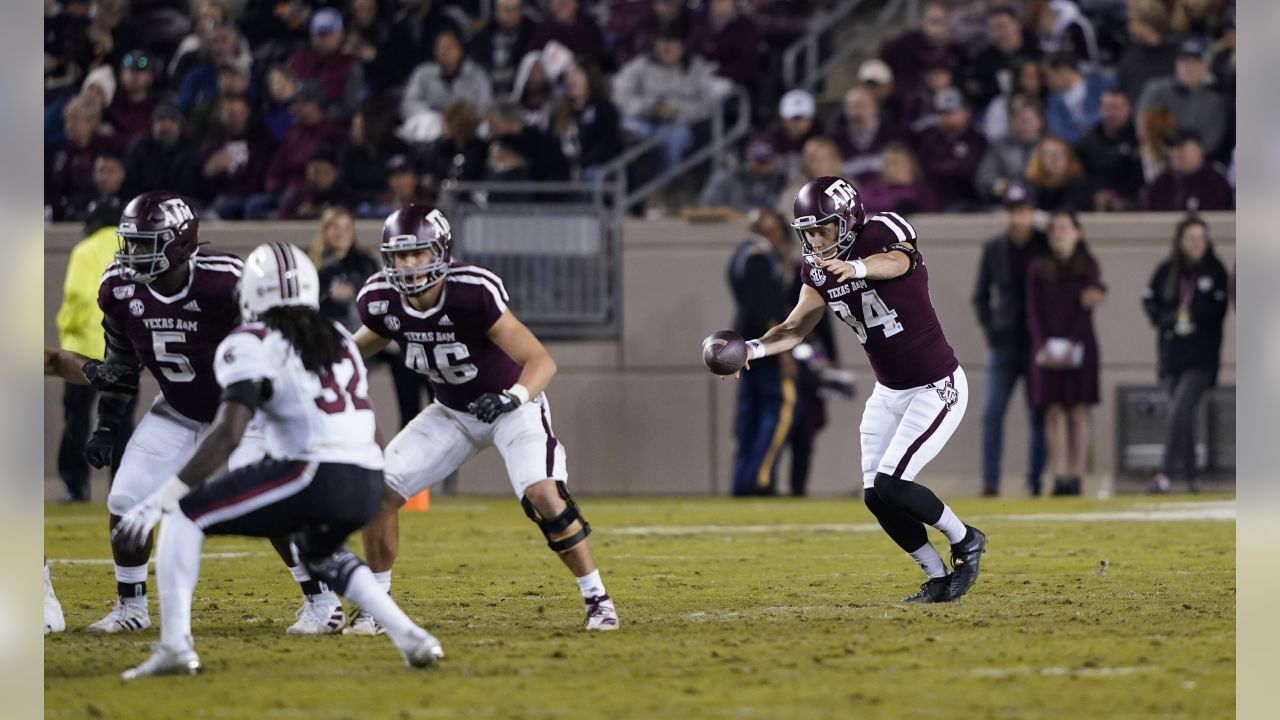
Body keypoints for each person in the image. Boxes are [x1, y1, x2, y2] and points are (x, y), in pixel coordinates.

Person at [113, 242, 445, 678]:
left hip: (315, 472)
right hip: (367, 479)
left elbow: (229, 432)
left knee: (183, 516)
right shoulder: (339, 339)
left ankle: (175, 647)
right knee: (322, 554)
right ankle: (412, 637)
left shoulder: (252, 340)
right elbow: (367, 421)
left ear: (250, 292)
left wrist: (165, 494)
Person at [42, 191, 337, 636]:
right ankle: (132, 607)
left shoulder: (227, 282)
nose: (134, 254)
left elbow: (280, 346)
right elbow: (120, 365)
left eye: (146, 243)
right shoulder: (118, 289)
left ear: (179, 243)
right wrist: (106, 425)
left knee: (265, 497)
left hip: (246, 410)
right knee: (125, 500)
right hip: (178, 409)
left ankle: (322, 601)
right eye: (131, 242)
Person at [345, 205, 619, 633]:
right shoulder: (381, 300)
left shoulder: (472, 291)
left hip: (512, 407)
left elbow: (540, 361)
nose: (409, 264)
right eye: (400, 256)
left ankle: (597, 598)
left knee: (544, 496)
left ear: (441, 252)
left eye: (418, 253)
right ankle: (377, 606)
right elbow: (362, 344)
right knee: (377, 494)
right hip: (451, 413)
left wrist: (513, 397)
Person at [721, 176, 988, 604]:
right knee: (876, 496)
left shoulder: (883, 230)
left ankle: (966, 539)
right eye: (807, 231)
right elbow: (794, 328)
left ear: (846, 220)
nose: (814, 239)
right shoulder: (816, 268)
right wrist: (752, 349)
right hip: (889, 392)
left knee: (895, 483)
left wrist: (858, 267)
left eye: (822, 228)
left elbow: (900, 261)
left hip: (936, 385)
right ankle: (936, 576)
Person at [54, 202, 137, 502]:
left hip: (83, 351)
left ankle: (77, 486)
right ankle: (123, 485)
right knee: (123, 419)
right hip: (124, 348)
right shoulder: (130, 247)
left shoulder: (84, 250)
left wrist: (64, 322)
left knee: (77, 419)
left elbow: (76, 297)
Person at [1141, 217, 1229, 494]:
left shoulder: (1215, 271)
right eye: (1190, 238)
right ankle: (1191, 478)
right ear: (1180, 241)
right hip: (1172, 353)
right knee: (1184, 417)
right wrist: (1168, 319)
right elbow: (1149, 300)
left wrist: (1194, 315)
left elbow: (1219, 310)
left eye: (1200, 238)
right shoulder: (1167, 271)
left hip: (1201, 356)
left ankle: (1165, 474)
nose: (1195, 244)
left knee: (1178, 408)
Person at [972, 185, 1048, 497]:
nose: (1018, 218)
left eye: (1023, 211)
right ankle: (990, 482)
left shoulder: (1044, 245)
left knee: (1038, 413)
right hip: (1004, 341)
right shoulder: (994, 248)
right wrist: (991, 329)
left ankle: (1035, 481)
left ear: (1032, 213)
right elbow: (980, 296)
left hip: (1036, 341)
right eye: (1013, 212)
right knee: (992, 412)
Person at [1025, 211, 1105, 496]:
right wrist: (1043, 344)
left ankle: (1077, 475)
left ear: (1077, 232)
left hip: (1080, 344)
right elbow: (1033, 310)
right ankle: (1058, 474)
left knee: (1079, 409)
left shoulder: (1088, 265)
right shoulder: (1038, 267)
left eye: (1064, 228)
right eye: (1054, 229)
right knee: (1055, 410)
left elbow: (1087, 307)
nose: (1059, 233)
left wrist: (1071, 342)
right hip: (1047, 347)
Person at [726, 208, 797, 496]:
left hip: (744, 345)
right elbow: (767, 306)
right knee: (779, 409)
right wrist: (782, 351)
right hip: (764, 349)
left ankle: (742, 479)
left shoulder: (740, 255)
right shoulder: (759, 257)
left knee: (749, 415)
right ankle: (760, 478)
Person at [1144, 131, 1233, 212]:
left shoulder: (1216, 183)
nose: (1175, 152)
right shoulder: (1161, 183)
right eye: (1173, 147)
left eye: (1182, 147)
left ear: (1198, 150)